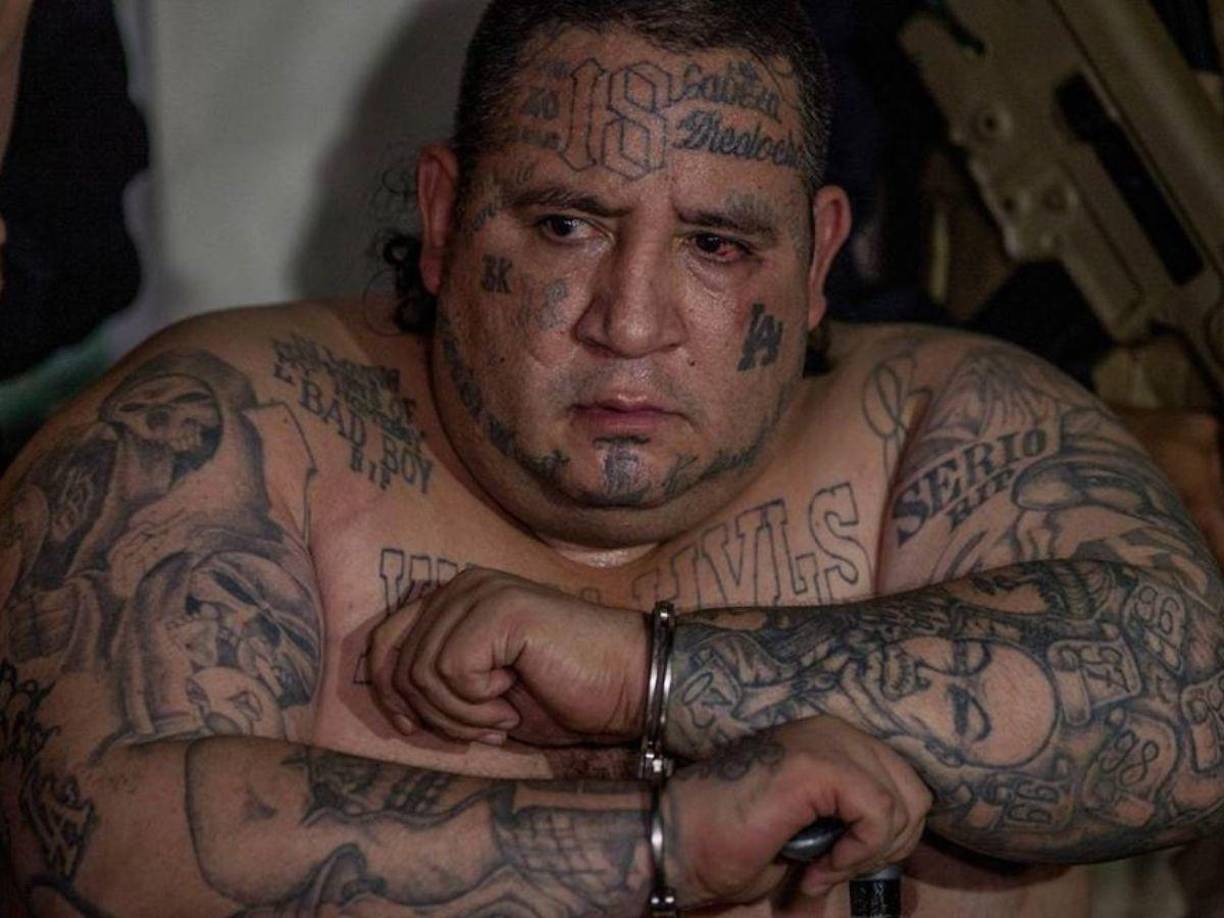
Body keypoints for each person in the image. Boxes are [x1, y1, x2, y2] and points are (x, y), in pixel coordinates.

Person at [2, 1, 1222, 914]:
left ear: (816, 258)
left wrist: (651, 673)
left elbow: (1193, 703)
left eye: (716, 245)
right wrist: (660, 845)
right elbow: (93, 841)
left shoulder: (936, 425)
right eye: (566, 225)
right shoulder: (234, 423)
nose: (629, 323)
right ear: (444, 216)